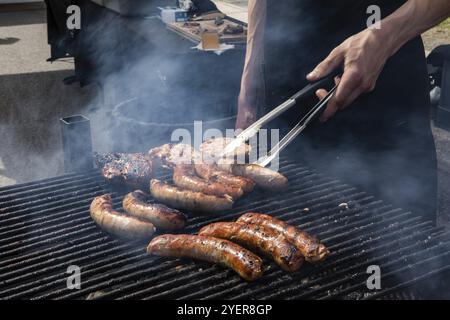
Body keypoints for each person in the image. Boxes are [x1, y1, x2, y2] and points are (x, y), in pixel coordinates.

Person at [236, 0, 450, 220]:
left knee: (395, 238)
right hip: (284, 83)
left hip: (377, 99)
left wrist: (383, 37)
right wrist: (250, 76)